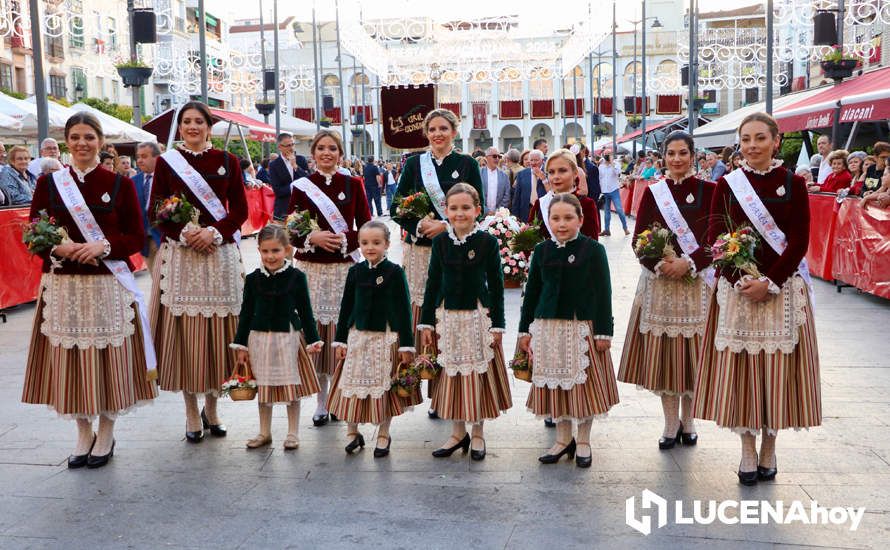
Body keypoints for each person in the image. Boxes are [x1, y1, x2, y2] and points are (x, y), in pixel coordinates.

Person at [22, 112, 157, 469]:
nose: (82, 143)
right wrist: (56, 248)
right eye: (75, 137)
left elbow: (137, 236)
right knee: (71, 361)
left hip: (107, 284)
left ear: (101, 142)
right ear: (67, 142)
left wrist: (103, 247)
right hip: (64, 284)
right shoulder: (50, 185)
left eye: (89, 137)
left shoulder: (119, 185)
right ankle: (83, 431)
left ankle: (107, 430)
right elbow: (33, 231)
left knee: (107, 360)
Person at [694, 112, 821, 486]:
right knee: (743, 373)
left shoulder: (793, 183)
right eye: (746, 139)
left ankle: (770, 447)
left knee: (777, 374)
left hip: (782, 293)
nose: (752, 146)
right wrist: (743, 280)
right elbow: (717, 238)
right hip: (739, 293)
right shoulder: (727, 184)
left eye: (760, 138)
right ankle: (747, 448)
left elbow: (798, 240)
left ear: (776, 141)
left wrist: (771, 281)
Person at [149, 100, 248, 443]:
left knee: (217, 335)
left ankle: (213, 406)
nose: (193, 127)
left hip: (219, 255)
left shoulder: (227, 161)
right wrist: (186, 234)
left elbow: (240, 209)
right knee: (184, 335)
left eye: (199, 122)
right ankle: (191, 410)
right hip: (181, 256)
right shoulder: (166, 163)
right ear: (179, 128)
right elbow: (156, 210)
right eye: (187, 122)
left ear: (209, 126)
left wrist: (215, 233)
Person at [617, 130, 715, 450]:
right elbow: (639, 239)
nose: (676, 159)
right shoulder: (654, 192)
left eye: (682, 153)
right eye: (670, 154)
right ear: (663, 158)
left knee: (693, 357)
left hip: (696, 284)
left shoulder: (709, 190)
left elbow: (717, 237)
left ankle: (690, 421)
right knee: (666, 358)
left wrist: (689, 263)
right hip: (660, 284)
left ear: (693, 155)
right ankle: (670, 422)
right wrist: (660, 264)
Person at [390, 109, 485, 421]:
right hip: (419, 251)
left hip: (456, 250)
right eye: (432, 129)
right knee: (425, 314)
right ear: (426, 133)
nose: (437, 134)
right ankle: (431, 390)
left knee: (451, 316)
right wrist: (419, 225)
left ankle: (451, 390)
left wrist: (445, 226)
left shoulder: (467, 164)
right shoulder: (415, 163)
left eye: (444, 128)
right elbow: (396, 206)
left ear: (454, 132)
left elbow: (480, 211)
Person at [518, 193, 617, 467]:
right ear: (548, 221)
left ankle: (583, 439)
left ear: (580, 220)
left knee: (583, 388)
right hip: (548, 328)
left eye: (568, 218)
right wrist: (525, 331)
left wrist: (603, 332)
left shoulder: (593, 250)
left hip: (581, 328)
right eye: (555, 218)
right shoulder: (541, 251)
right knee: (557, 387)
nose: (561, 224)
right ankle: (563, 439)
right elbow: (533, 292)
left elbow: (603, 292)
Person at [418, 184, 511, 461]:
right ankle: (458, 433)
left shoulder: (487, 242)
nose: (460, 214)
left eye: (466, 208)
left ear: (477, 210)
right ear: (445, 211)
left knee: (477, 374)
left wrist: (498, 324)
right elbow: (433, 282)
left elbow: (496, 285)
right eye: (454, 208)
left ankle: (478, 432)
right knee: (452, 373)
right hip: (448, 317)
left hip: (477, 317)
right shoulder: (440, 242)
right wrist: (426, 324)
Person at [287, 129, 371, 427]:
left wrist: (339, 239)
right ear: (313, 154)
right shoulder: (301, 187)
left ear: (340, 153)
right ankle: (321, 401)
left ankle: (340, 397)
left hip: (342, 270)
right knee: (316, 334)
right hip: (311, 269)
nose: (326, 153)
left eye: (332, 148)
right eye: (321, 148)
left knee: (340, 333)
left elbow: (366, 227)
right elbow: (292, 231)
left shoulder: (353, 183)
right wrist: (313, 237)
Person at [328, 221, 419, 457]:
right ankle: (352, 432)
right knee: (352, 384)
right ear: (359, 244)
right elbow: (346, 306)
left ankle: (383, 434)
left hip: (384, 338)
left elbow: (403, 310)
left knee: (384, 387)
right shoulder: (355, 271)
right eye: (365, 242)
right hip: (357, 338)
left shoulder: (395, 272)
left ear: (387, 244)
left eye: (376, 243)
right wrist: (340, 340)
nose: (370, 247)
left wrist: (407, 345)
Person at [230, 225, 322, 450]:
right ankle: (264, 432)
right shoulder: (253, 279)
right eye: (265, 251)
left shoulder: (297, 277)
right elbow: (246, 312)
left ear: (287, 250)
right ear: (259, 250)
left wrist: (313, 339)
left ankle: (293, 432)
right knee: (265, 387)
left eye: (276, 251)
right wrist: (241, 344)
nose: (270, 256)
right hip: (259, 340)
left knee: (291, 387)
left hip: (288, 339)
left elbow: (306, 311)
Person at [529, 148, 600, 240]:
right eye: (551, 172)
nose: (556, 177)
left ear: (575, 173)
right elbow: (529, 243)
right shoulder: (540, 204)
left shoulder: (586, 204)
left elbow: (592, 244)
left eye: (562, 170)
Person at [133, 141, 163, 270]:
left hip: (164, 238)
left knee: (164, 281)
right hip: (146, 241)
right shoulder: (133, 181)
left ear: (157, 158)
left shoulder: (167, 178)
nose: (139, 160)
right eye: (138, 156)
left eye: (144, 156)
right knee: (155, 279)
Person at [268, 132, 309, 221]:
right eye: (287, 145)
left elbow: (308, 181)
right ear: (280, 147)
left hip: (303, 208)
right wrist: (295, 186)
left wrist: (295, 166)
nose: (291, 148)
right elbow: (278, 191)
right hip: (284, 209)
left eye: (293, 144)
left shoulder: (301, 159)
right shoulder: (274, 165)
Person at [511, 149, 548, 221]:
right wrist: (515, 217)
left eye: (536, 160)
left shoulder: (548, 173)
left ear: (542, 160)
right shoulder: (521, 174)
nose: (533, 163)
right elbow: (517, 197)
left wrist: (544, 179)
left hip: (543, 212)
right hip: (525, 213)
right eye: (531, 160)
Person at [598, 152, 629, 236]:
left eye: (609, 155)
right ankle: (607, 230)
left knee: (619, 209)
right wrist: (601, 190)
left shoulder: (616, 164)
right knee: (606, 211)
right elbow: (600, 178)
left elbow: (617, 172)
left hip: (614, 190)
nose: (608, 157)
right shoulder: (601, 166)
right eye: (606, 155)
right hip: (605, 191)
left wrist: (612, 163)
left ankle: (625, 228)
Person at [481, 146, 511, 214]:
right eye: (494, 156)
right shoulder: (479, 174)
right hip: (481, 214)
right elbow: (475, 195)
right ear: (486, 157)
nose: (497, 159)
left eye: (499, 156)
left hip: (499, 216)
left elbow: (507, 196)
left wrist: (499, 211)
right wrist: (486, 211)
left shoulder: (504, 176)